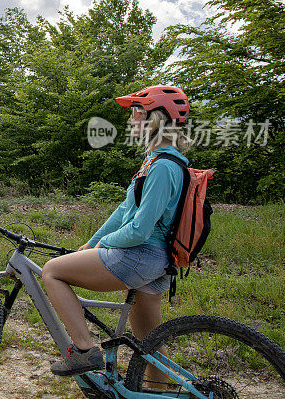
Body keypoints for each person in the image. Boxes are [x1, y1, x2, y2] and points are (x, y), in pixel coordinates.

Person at [41, 85, 191, 378]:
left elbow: (139, 231)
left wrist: (105, 245)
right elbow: (124, 210)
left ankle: (84, 352)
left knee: (52, 271)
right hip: (156, 261)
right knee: (149, 345)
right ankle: (155, 394)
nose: (131, 119)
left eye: (137, 112)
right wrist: (92, 243)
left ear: (155, 118)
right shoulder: (157, 161)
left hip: (140, 256)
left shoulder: (163, 167)